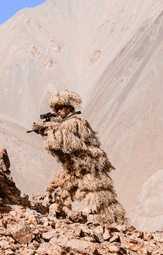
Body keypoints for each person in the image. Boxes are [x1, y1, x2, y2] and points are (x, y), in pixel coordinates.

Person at [30, 90, 127, 224]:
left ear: (69, 107)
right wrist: (44, 130)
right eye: (56, 109)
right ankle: (57, 221)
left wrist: (47, 129)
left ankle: (117, 224)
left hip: (88, 167)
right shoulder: (64, 122)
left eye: (61, 108)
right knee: (59, 191)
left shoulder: (76, 122)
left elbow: (64, 139)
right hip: (73, 168)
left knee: (102, 198)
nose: (58, 111)